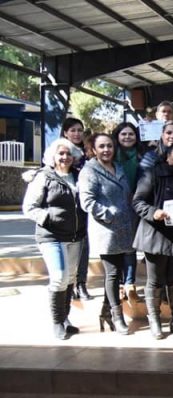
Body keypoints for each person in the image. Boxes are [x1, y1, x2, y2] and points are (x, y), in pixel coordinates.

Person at [22, 138, 87, 339]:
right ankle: (57, 322)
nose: (65, 157)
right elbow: (29, 207)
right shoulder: (44, 177)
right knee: (59, 277)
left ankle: (66, 319)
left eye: (68, 154)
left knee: (70, 279)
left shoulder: (78, 176)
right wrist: (49, 218)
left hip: (76, 236)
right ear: (53, 156)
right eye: (61, 154)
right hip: (51, 236)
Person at [132, 143, 173, 339]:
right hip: (155, 236)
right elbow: (137, 201)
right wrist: (154, 212)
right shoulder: (152, 174)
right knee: (155, 280)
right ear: (167, 156)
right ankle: (155, 320)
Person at [79, 133, 135, 335]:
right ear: (93, 149)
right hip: (107, 231)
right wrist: (110, 216)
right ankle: (117, 316)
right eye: (101, 146)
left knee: (118, 273)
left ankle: (105, 312)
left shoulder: (118, 167)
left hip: (125, 230)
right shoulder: (89, 171)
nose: (106, 150)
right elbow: (87, 202)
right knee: (112, 274)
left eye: (109, 146)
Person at [113, 122, 144, 306]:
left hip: (136, 204)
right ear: (117, 136)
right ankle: (118, 283)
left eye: (131, 134)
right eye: (123, 134)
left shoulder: (142, 155)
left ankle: (129, 283)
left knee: (131, 245)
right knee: (118, 245)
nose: (127, 137)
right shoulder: (112, 154)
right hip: (117, 206)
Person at [60, 117, 91, 300]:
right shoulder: (59, 151)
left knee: (84, 246)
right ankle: (68, 285)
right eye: (73, 130)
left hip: (83, 205)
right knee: (67, 249)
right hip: (65, 207)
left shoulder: (85, 153)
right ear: (65, 133)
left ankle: (81, 283)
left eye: (80, 130)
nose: (77, 133)